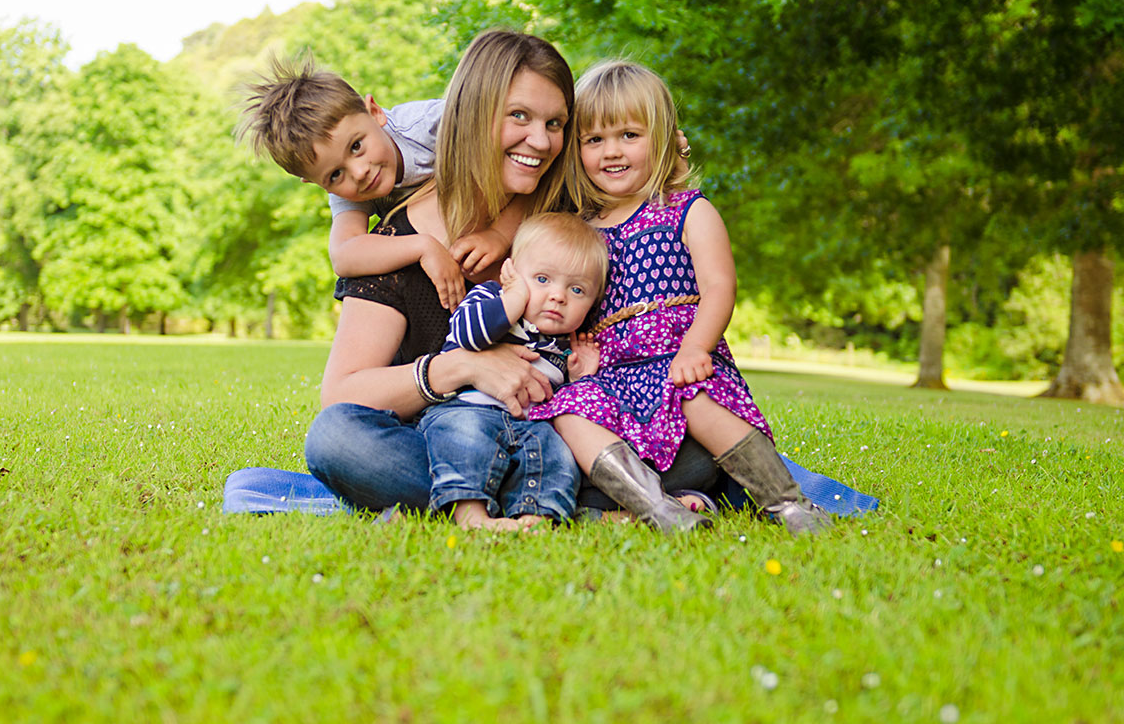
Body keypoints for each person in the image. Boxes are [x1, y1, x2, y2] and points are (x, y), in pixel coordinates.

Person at [529, 60, 832, 535]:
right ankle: (659, 509)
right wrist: (579, 358)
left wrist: (696, 346)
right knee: (569, 412)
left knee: (690, 396)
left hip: (678, 363)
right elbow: (568, 304)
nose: (612, 151)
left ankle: (788, 504)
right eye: (594, 140)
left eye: (629, 135)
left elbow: (719, 287)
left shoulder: (686, 210)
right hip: (613, 381)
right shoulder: (580, 229)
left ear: (667, 139)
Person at [301, 30, 579, 513]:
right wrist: (464, 366)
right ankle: (521, 496)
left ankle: (501, 495)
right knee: (336, 440)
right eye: (518, 116)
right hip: (450, 440)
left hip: (556, 436)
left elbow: (633, 153)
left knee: (689, 447)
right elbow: (342, 394)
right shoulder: (394, 243)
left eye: (555, 123)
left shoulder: (566, 223)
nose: (541, 140)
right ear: (473, 112)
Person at [237, 60, 518, 310]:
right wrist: (423, 247)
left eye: (356, 146)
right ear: (315, 183)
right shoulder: (347, 190)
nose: (358, 172)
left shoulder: (434, 126)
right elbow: (344, 255)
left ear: (374, 112)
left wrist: (499, 234)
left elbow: (531, 167)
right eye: (335, 175)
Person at [419, 213, 607, 531]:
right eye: (543, 280)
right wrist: (515, 297)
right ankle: (472, 517)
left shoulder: (565, 347)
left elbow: (562, 407)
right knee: (462, 440)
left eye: (576, 290)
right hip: (468, 409)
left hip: (528, 427)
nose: (558, 296)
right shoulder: (489, 297)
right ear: (513, 272)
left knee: (557, 453)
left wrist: (581, 378)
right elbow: (466, 336)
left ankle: (535, 517)